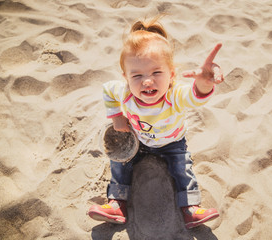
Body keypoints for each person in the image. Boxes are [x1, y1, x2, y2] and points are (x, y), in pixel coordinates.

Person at [88, 16, 224, 229]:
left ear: (171, 74)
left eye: (157, 72)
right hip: (139, 140)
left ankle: (190, 208)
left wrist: (203, 84)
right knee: (119, 163)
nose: (147, 81)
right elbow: (107, 89)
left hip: (172, 143)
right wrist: (117, 116)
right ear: (126, 77)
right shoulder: (124, 92)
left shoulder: (174, 97)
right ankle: (116, 203)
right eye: (137, 75)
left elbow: (194, 97)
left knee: (183, 168)